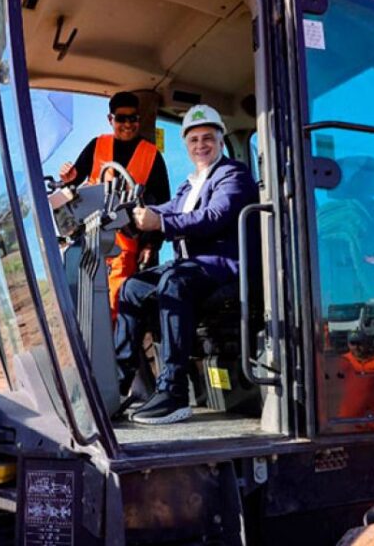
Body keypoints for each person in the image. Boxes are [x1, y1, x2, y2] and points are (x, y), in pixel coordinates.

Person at [112, 104, 258, 424]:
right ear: (187, 146)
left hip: (223, 265)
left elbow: (214, 216)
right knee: (132, 287)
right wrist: (133, 216)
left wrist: (160, 224)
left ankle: (173, 391)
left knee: (174, 282)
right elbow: (166, 210)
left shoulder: (233, 174)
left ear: (220, 142)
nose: (201, 145)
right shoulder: (190, 184)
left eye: (208, 138)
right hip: (192, 266)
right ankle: (117, 384)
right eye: (193, 140)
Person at [59, 91, 170, 319]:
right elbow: (73, 180)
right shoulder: (97, 145)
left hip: (126, 246)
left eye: (133, 118)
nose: (128, 124)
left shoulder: (152, 156)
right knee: (83, 304)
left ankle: (113, 353)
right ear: (111, 120)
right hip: (90, 240)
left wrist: (151, 245)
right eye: (121, 118)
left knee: (115, 305)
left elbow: (162, 204)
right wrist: (68, 178)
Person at [337, 331, 374, 421]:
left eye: (360, 343)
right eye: (353, 344)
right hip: (349, 413)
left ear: (367, 343)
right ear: (348, 345)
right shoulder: (343, 361)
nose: (356, 347)